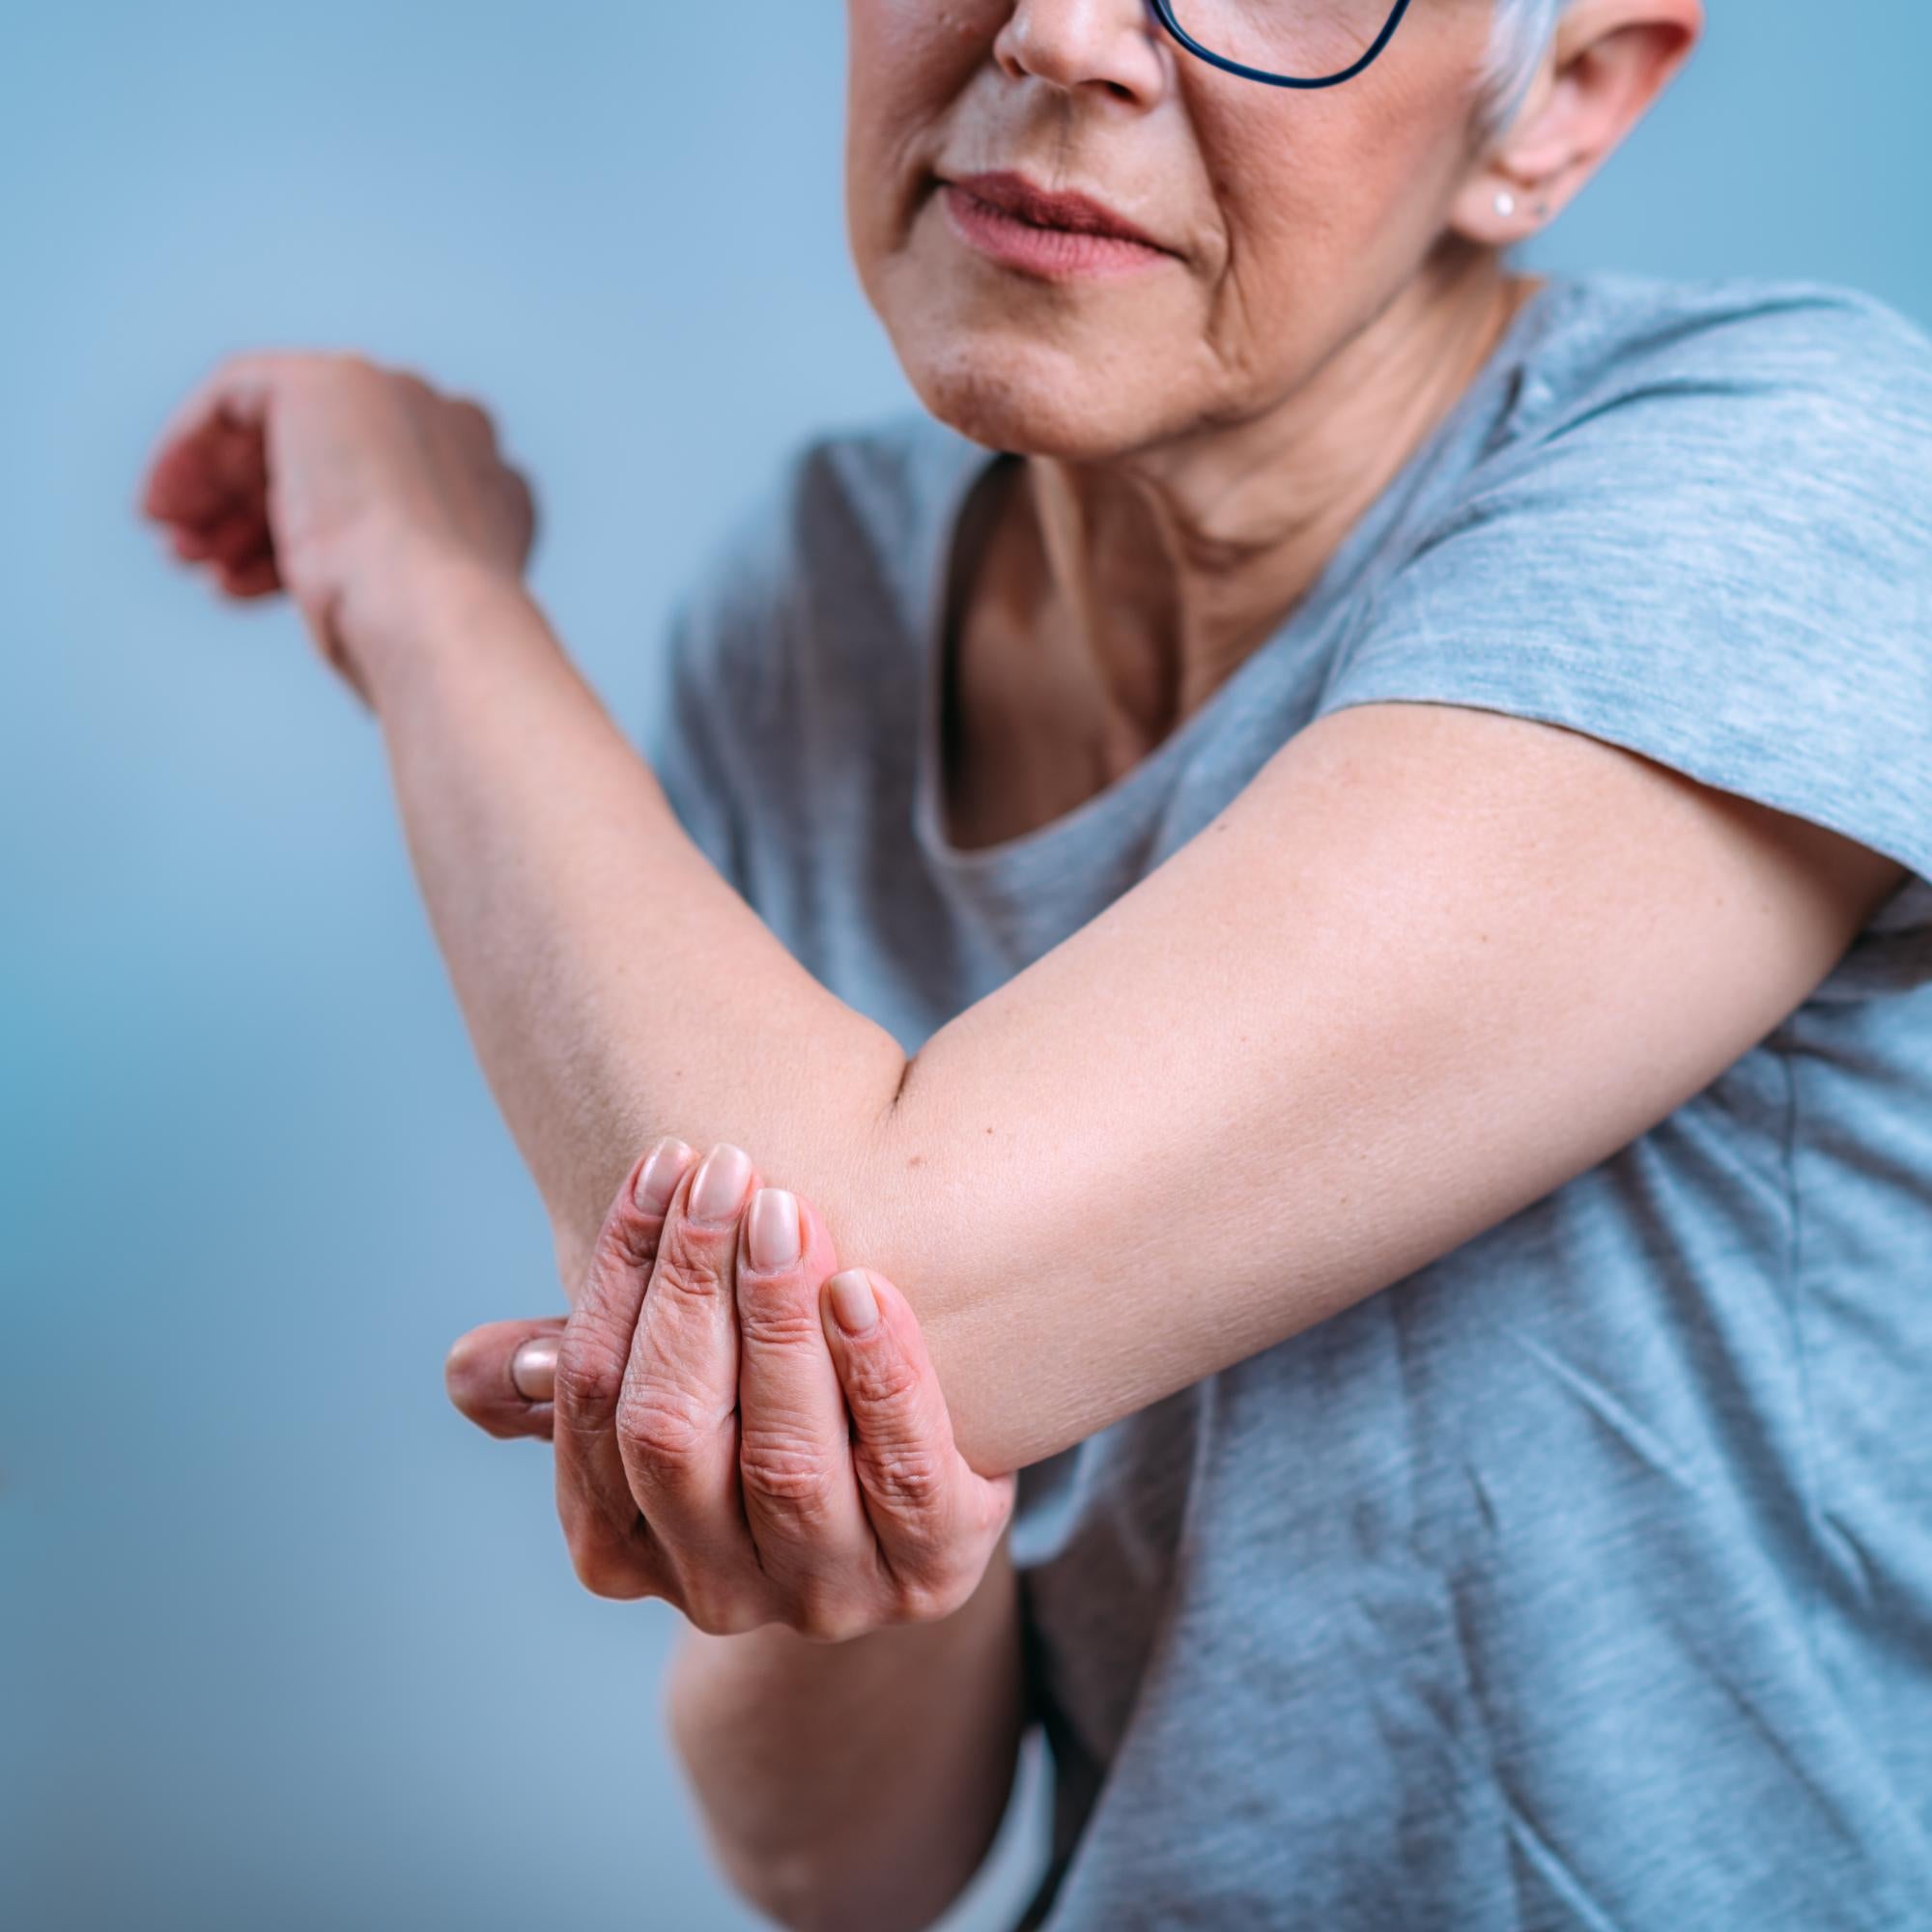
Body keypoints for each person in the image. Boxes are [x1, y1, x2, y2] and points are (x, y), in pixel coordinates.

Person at [137, 0, 1932, 1924]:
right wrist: (801, 1478)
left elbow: (857, 1253)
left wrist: (423, 590)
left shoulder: (1793, 486)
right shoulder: (818, 603)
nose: (1067, 33)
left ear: (1556, 104)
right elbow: (841, 1861)